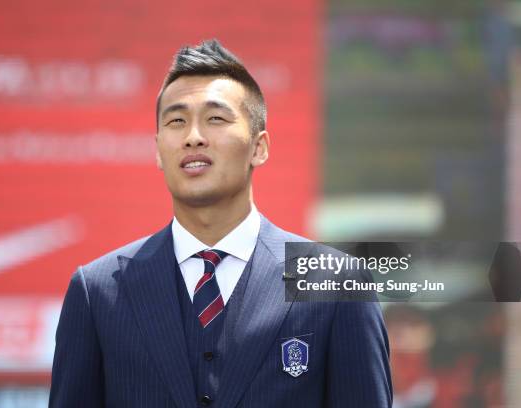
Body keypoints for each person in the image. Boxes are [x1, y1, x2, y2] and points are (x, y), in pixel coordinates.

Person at [49, 39, 392, 407]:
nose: (193, 137)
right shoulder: (98, 291)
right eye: (177, 121)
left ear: (259, 147)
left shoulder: (336, 284)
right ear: (158, 150)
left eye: (215, 119)